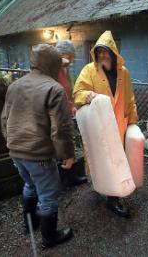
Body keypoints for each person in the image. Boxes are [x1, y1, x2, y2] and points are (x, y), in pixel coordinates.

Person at [1, 44, 75, 248]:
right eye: (60, 66)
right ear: (52, 65)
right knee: (48, 195)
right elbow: (60, 128)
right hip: (39, 155)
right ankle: (49, 237)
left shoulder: (14, 85)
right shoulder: (54, 89)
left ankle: (29, 224)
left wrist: (13, 144)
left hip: (15, 152)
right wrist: (67, 154)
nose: (62, 69)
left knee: (29, 185)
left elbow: (4, 119)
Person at [73, 30, 138, 218]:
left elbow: (130, 98)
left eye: (105, 51)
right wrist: (88, 95)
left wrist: (133, 122)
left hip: (120, 125)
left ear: (113, 53)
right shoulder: (88, 71)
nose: (102, 55)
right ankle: (111, 196)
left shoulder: (123, 73)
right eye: (99, 51)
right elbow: (77, 93)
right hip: (100, 127)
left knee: (117, 161)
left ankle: (112, 196)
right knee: (103, 160)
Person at [55, 40, 88, 187]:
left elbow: (68, 91)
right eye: (67, 56)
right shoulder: (52, 69)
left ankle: (71, 177)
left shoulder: (65, 70)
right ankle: (60, 180)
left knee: (69, 144)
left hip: (66, 111)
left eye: (70, 57)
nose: (69, 60)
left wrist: (72, 105)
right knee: (60, 146)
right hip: (56, 113)